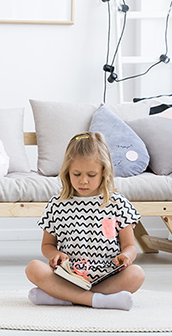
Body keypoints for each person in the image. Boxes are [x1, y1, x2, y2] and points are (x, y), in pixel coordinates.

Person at [25, 132, 145, 310]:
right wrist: (53, 255)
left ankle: (63, 297)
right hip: (69, 277)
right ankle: (96, 300)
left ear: (104, 172)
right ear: (67, 172)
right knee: (33, 268)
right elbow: (47, 245)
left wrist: (126, 257)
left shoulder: (117, 204)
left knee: (137, 274)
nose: (83, 181)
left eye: (91, 174)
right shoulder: (57, 205)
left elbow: (130, 246)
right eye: (77, 173)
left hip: (106, 276)